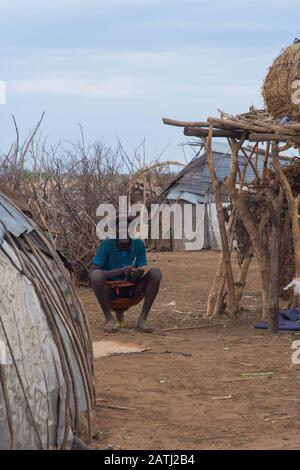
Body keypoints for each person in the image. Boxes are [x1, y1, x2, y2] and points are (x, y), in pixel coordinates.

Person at [90, 216, 162, 333]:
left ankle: (142, 320)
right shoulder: (106, 244)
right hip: (110, 291)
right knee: (96, 275)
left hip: (132, 289)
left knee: (156, 273)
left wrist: (136, 273)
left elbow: (140, 269)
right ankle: (109, 319)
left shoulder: (138, 245)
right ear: (115, 231)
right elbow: (92, 272)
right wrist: (120, 271)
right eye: (121, 228)